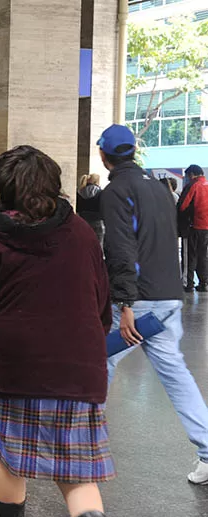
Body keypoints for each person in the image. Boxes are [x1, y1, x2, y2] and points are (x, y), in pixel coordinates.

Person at [0, 146, 114, 517]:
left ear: (5, 187)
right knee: (78, 471)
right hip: (78, 367)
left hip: (15, 366)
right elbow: (101, 300)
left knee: (11, 457)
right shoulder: (81, 233)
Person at [98, 125, 208, 485]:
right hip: (168, 296)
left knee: (99, 360)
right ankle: (207, 450)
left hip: (139, 302)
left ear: (104, 155)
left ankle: (82, 441)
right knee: (176, 376)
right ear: (133, 151)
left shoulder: (116, 191)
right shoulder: (160, 188)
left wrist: (125, 302)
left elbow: (120, 247)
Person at [179, 165, 208, 293]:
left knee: (189, 256)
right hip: (206, 227)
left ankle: (188, 284)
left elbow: (182, 206)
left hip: (194, 226)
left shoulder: (193, 186)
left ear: (191, 174)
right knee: (203, 256)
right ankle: (204, 283)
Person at [76, 173, 105, 244]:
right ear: (96, 181)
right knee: (98, 245)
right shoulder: (101, 192)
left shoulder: (79, 192)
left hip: (82, 220)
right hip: (97, 220)